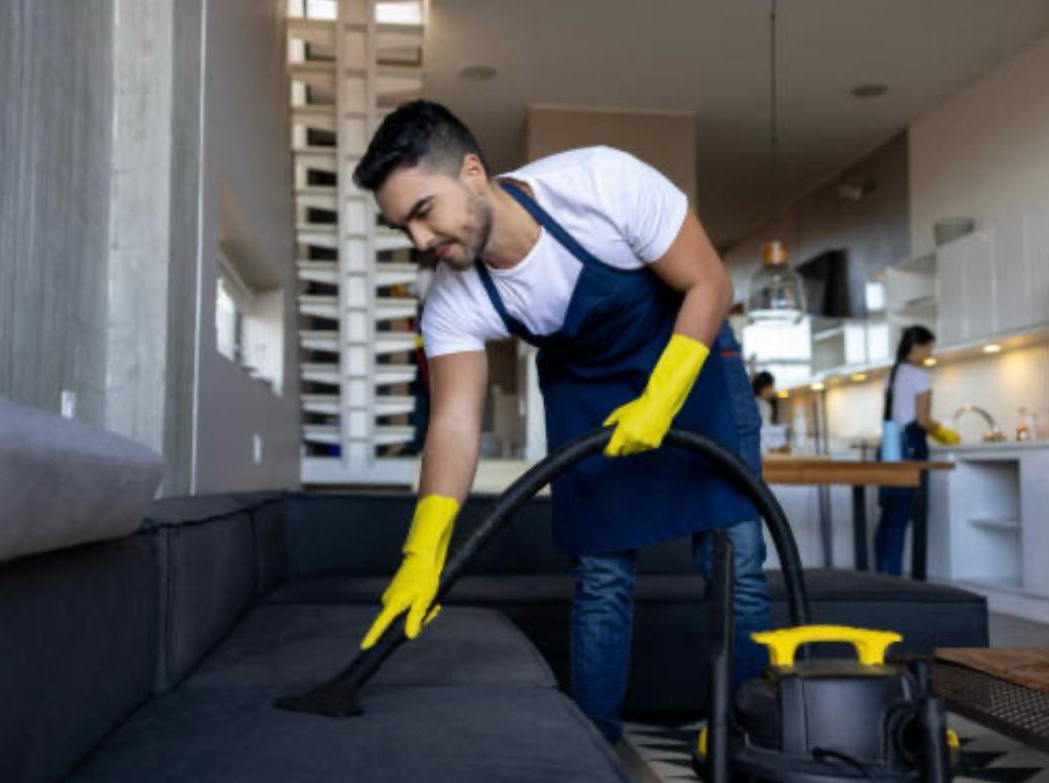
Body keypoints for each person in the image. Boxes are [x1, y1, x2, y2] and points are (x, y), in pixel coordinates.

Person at [351, 100, 769, 744]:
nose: (420, 241)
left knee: (734, 561)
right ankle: (594, 746)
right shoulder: (452, 300)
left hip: (691, 363)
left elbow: (709, 283)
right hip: (586, 390)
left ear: (471, 172)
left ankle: (743, 734)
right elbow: (453, 423)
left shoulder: (602, 184)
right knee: (601, 575)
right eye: (402, 226)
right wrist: (423, 546)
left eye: (424, 211)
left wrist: (662, 397)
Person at [873, 325, 958, 576]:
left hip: (888, 446)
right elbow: (922, 420)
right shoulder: (920, 376)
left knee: (888, 515)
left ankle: (881, 576)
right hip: (909, 446)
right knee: (903, 515)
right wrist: (944, 432)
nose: (929, 354)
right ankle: (897, 581)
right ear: (917, 346)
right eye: (929, 348)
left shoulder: (891, 376)